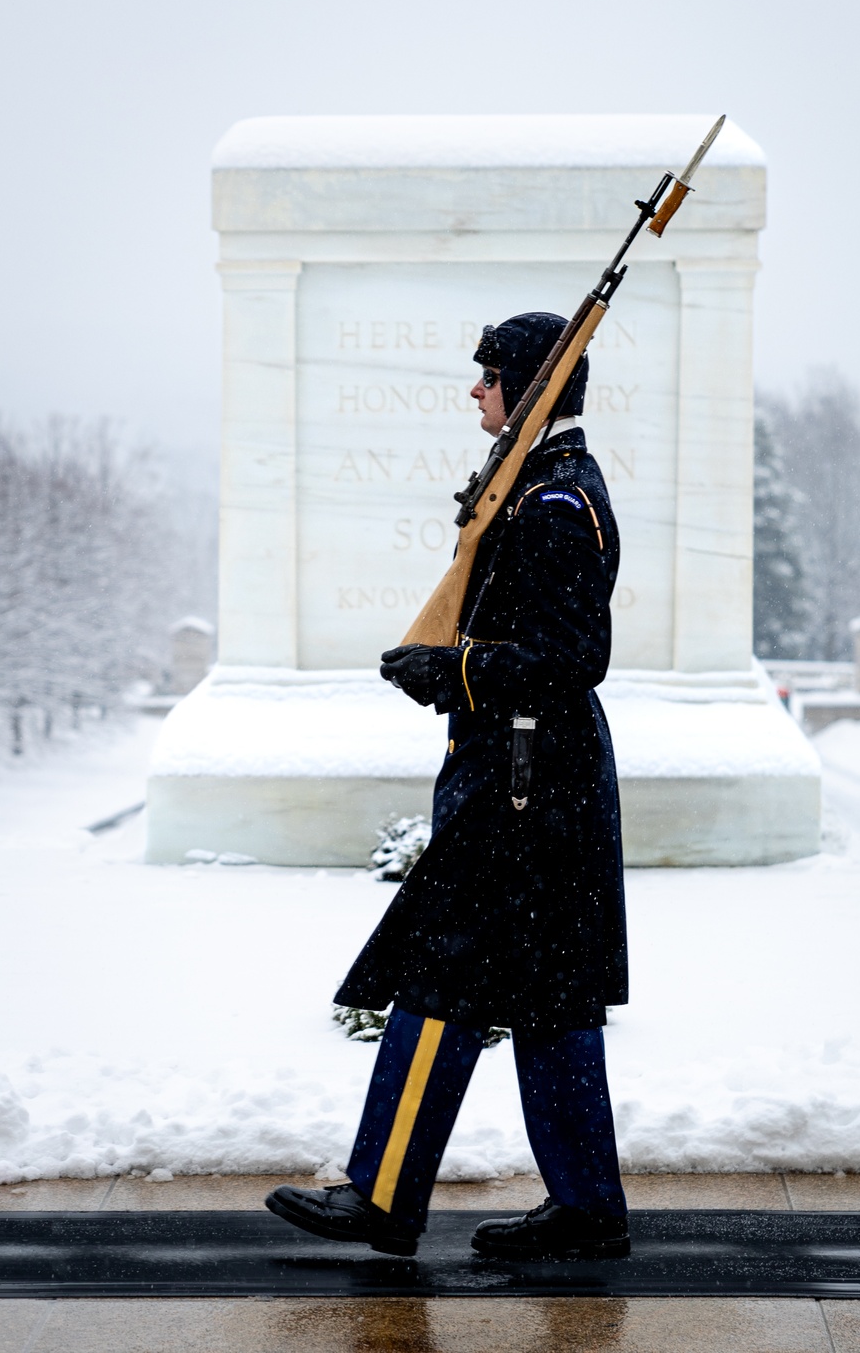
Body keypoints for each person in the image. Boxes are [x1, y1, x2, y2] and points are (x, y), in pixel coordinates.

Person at [266, 312, 628, 1259]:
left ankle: (383, 1197)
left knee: (442, 975)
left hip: (524, 782)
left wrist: (452, 671)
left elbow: (569, 658)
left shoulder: (554, 505)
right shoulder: (539, 491)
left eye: (490, 376)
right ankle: (586, 1210)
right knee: (549, 996)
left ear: (529, 391)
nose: (476, 391)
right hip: (535, 779)